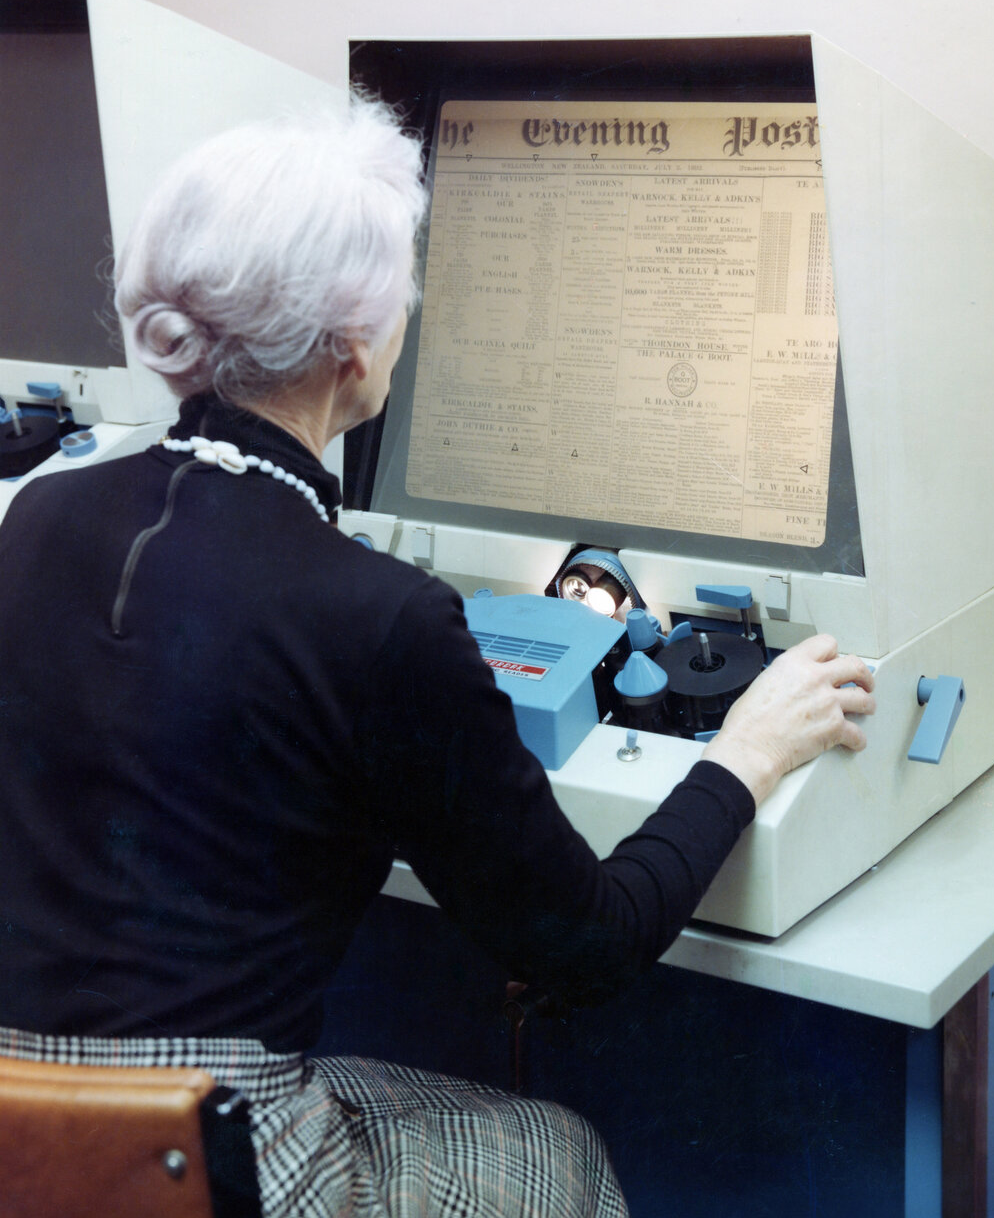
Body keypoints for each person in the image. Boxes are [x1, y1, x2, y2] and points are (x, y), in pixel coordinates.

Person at [0, 95, 875, 1218]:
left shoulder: (38, 519)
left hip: (24, 1140)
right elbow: (586, 949)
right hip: (214, 1167)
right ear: (356, 349)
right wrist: (745, 753)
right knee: (555, 1148)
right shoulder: (380, 617)